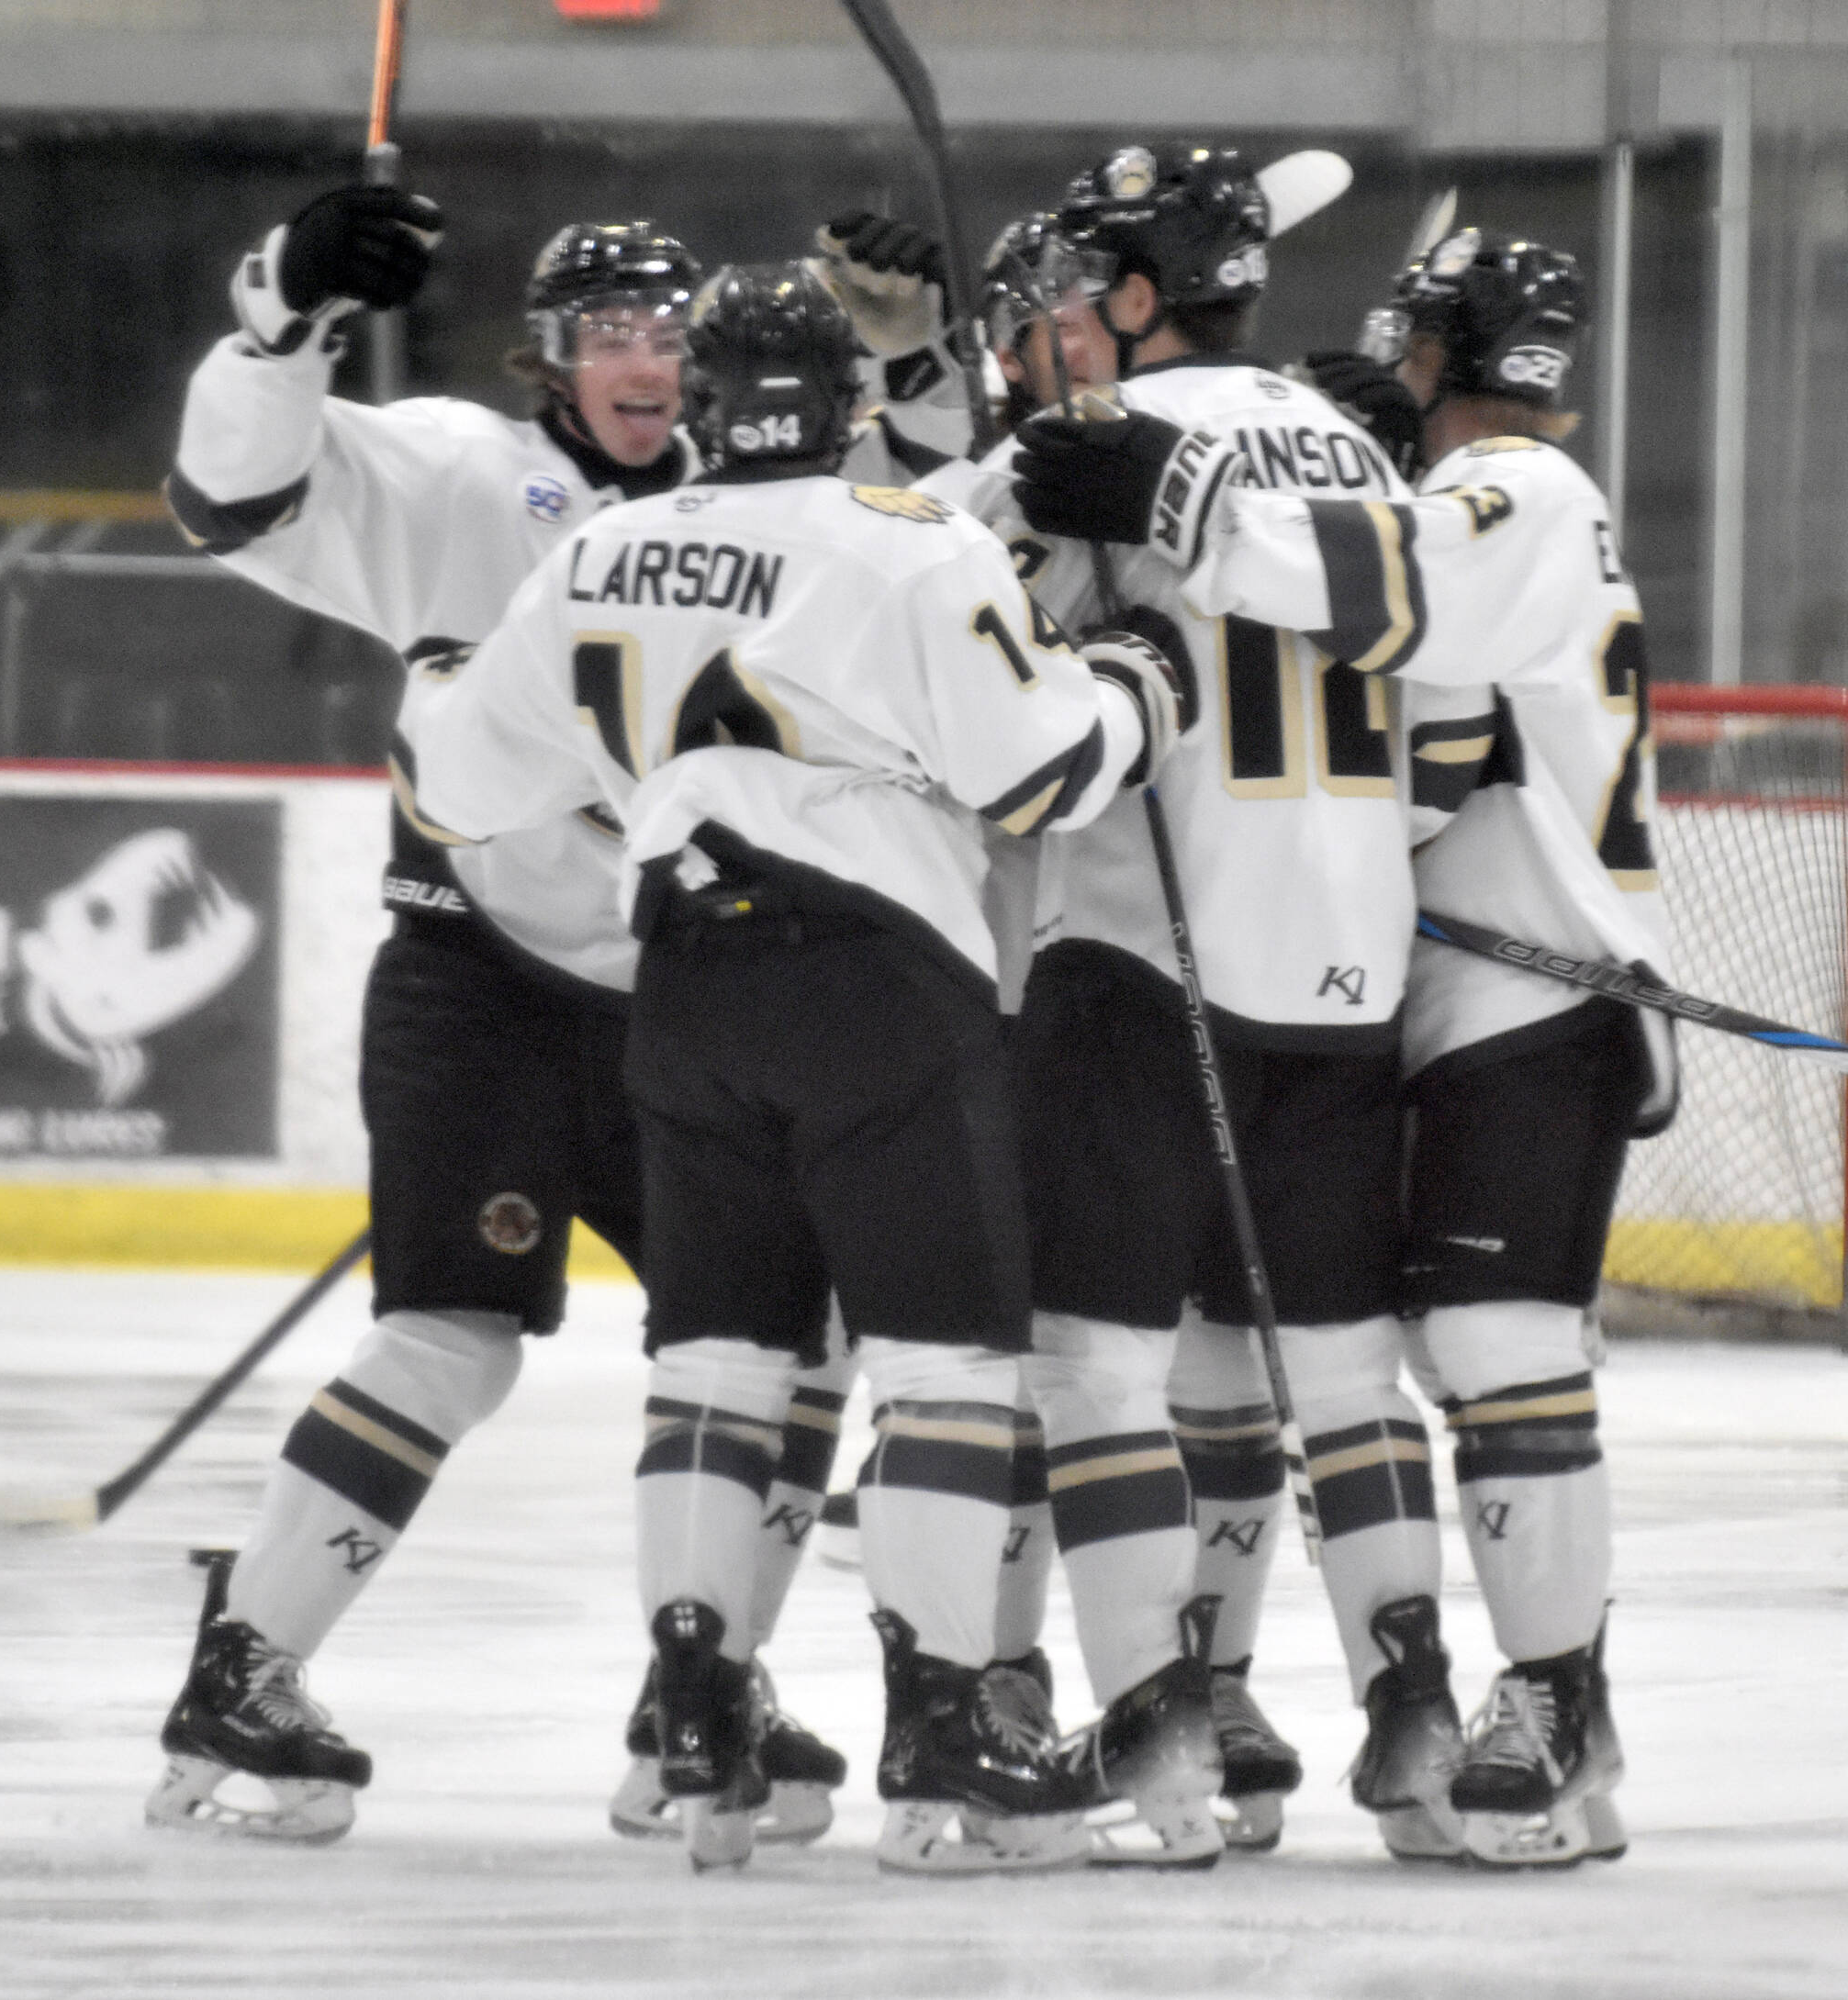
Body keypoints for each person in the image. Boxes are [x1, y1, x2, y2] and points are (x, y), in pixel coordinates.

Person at [398, 263, 1191, 1874]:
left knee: (719, 1365)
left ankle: (701, 1708)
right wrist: (1140, 680)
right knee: (946, 1369)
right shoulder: (911, 539)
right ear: (841, 402)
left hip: (682, 992)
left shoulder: (600, 550)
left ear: (702, 397)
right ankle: (944, 1720)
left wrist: (434, 679)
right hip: (877, 987)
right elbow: (1042, 773)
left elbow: (456, 787)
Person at [145, 189, 848, 1844]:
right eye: (610, 331)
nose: (648, 361)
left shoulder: (759, 504)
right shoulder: (462, 470)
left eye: (673, 332)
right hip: (479, 982)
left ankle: (705, 1684)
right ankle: (241, 1673)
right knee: (453, 1340)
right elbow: (227, 495)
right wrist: (285, 316)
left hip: (686, 1003)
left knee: (789, 1340)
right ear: (547, 358)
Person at [1047, 225, 1666, 1869]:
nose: (1383, 376)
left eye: (1406, 351)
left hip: (1528, 1009)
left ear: (1448, 356)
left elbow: (1387, 589)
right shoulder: (1499, 495)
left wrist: (1170, 492)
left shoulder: (1521, 494)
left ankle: (1558, 1697)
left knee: (1498, 1357)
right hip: (1448, 1005)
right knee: (1359, 1360)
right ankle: (1523, 1740)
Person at [968, 140, 1440, 1860]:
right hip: (1342, 973)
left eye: (1082, 294)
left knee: (1093, 1372)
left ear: (1147, 297)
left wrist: (1026, 482)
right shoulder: (1339, 435)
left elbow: (916, 630)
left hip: (1149, 967)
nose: (1060, 324)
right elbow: (1394, 598)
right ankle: (1417, 1714)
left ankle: (1157, 1737)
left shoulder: (1075, 455)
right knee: (1336, 1374)